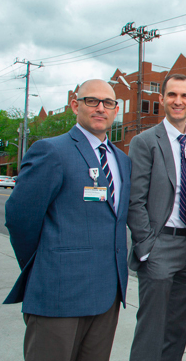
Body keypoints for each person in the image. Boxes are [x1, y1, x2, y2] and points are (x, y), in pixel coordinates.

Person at [4, 79, 131, 361]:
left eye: (107, 103)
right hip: (59, 293)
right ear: (76, 104)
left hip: (107, 295)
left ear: (116, 109)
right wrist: (43, 264)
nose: (100, 108)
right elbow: (19, 217)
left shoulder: (122, 161)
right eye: (92, 101)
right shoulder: (52, 151)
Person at [128, 73, 186, 361]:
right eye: (172, 95)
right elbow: (134, 200)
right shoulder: (144, 141)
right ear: (161, 99)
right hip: (159, 246)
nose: (178, 101)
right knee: (152, 330)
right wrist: (146, 246)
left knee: (177, 329)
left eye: (184, 96)